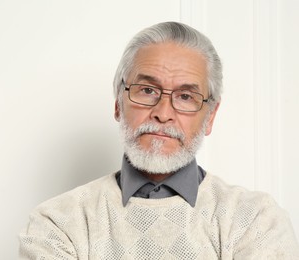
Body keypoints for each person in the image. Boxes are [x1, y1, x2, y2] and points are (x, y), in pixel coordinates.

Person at [19, 22, 299, 259]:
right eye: (147, 90)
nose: (163, 114)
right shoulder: (57, 222)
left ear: (210, 116)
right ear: (118, 103)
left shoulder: (255, 221)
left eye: (186, 96)